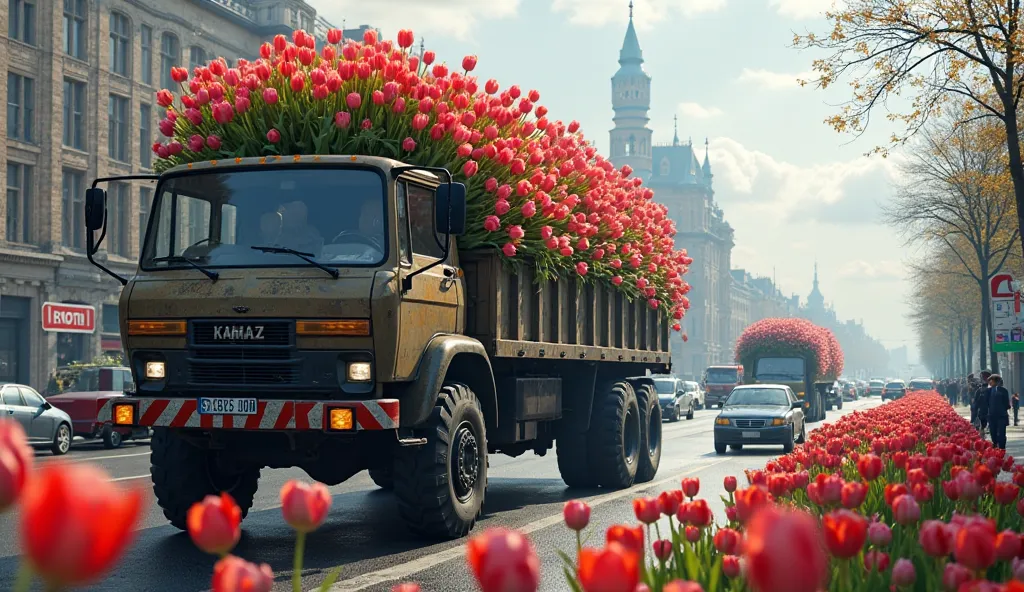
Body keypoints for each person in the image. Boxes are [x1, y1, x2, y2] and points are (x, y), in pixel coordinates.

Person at [987, 374, 1011, 449]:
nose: (989, 383)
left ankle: (1002, 448)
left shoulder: (1003, 391)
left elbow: (1007, 403)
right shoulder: (988, 391)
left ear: (995, 381)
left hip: (1001, 416)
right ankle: (995, 444)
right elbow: (986, 403)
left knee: (1001, 433)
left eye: (991, 381)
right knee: (993, 433)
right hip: (991, 416)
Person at [972, 370, 991, 435]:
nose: (981, 379)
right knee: (982, 425)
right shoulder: (979, 390)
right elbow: (976, 402)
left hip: (989, 411)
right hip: (982, 411)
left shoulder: (991, 389)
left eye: (982, 377)